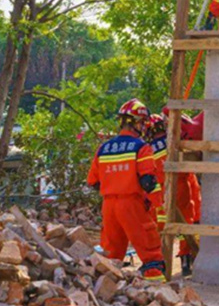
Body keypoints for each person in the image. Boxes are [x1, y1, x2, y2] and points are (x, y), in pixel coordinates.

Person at [87, 99, 165, 281]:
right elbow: (148, 182)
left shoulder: (104, 148)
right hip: (131, 204)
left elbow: (93, 182)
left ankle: (107, 291)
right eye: (142, 123)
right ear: (136, 123)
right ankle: (158, 292)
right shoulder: (141, 148)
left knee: (110, 255)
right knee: (149, 249)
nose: (144, 127)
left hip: (108, 207)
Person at [148, 110, 204, 277]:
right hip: (181, 185)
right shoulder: (175, 141)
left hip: (159, 192)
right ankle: (186, 259)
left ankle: (159, 262)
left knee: (161, 227)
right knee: (187, 223)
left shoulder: (147, 149)